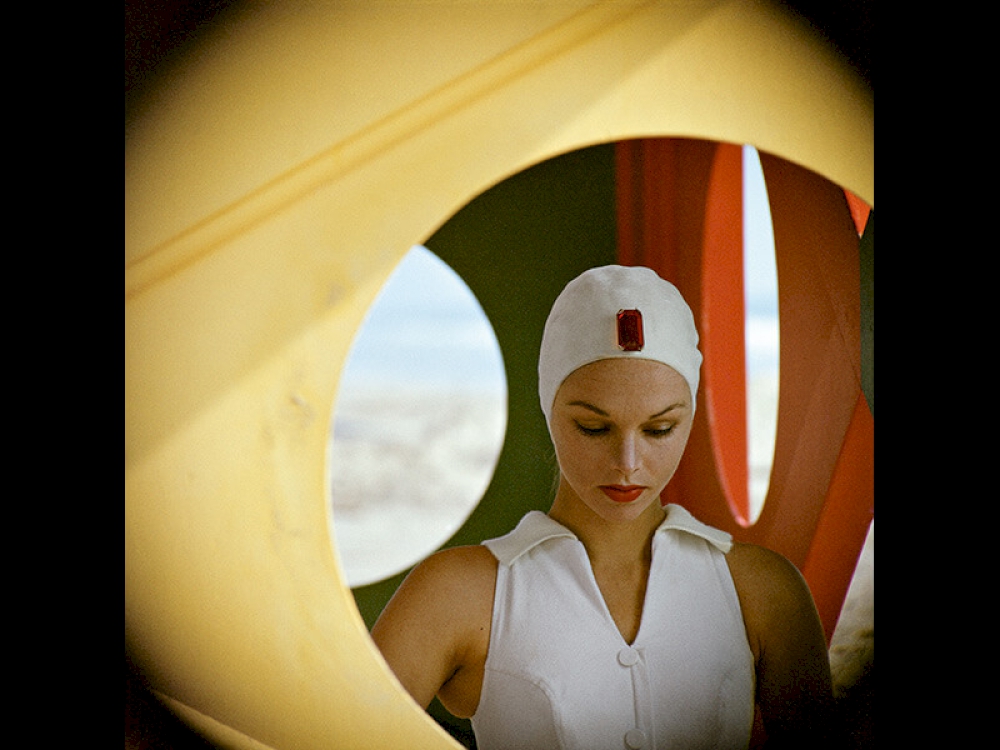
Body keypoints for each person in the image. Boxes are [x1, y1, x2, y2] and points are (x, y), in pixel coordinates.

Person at [371, 265, 834, 749]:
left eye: (660, 430)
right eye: (594, 428)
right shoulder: (455, 594)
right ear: (549, 411)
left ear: (692, 415)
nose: (628, 463)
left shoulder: (765, 592)